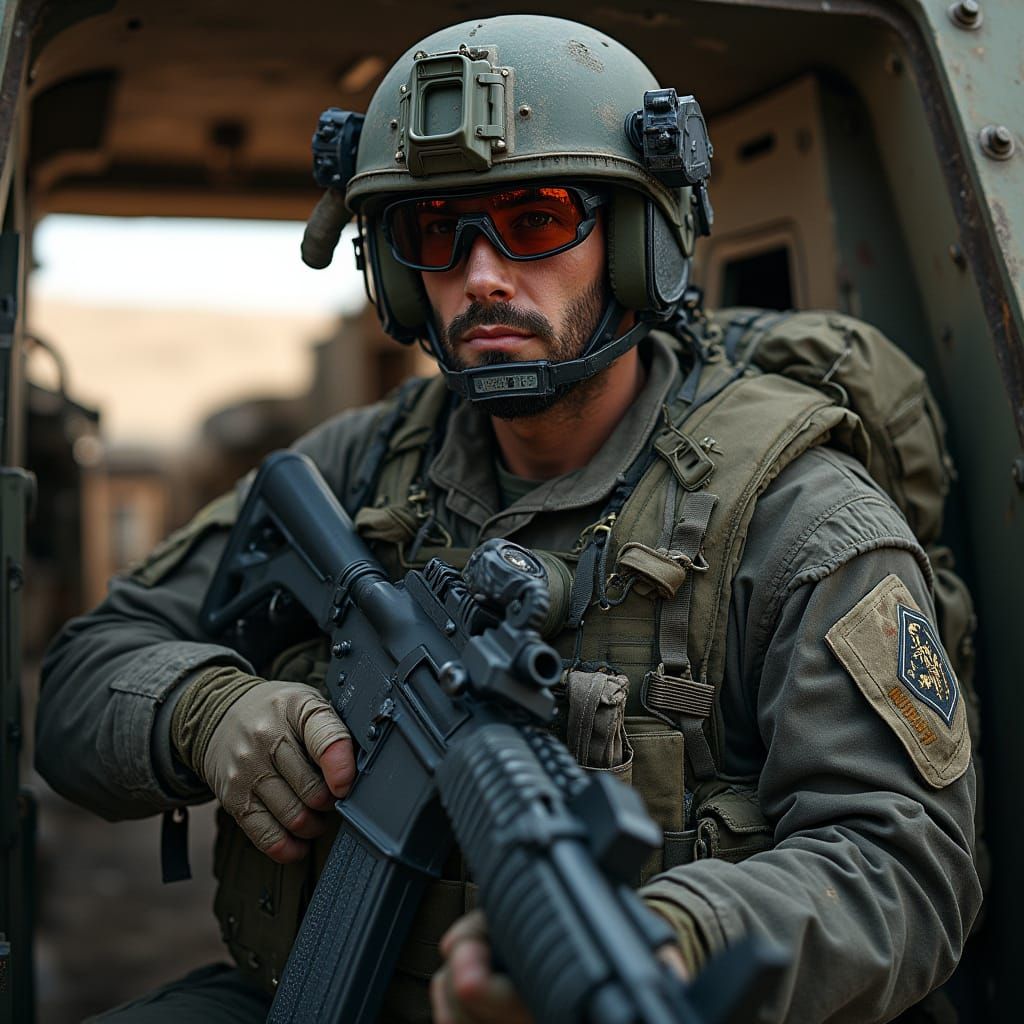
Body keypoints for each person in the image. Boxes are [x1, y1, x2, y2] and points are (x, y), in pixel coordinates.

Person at [36, 14, 981, 1024]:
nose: (480, 274)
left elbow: (904, 864)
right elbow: (83, 678)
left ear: (639, 244)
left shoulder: (803, 520)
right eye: (433, 232)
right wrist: (207, 713)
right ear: (397, 273)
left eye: (535, 221)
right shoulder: (362, 463)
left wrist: (672, 941)